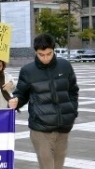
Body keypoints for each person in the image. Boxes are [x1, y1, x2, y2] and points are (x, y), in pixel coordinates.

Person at [9, 33, 79, 169]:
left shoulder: (65, 66)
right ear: (36, 52)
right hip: (40, 129)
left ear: (54, 50)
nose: (45, 58)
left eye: (49, 53)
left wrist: (72, 111)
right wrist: (16, 100)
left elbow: (73, 91)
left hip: (63, 127)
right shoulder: (27, 71)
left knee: (58, 167)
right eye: (42, 54)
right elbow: (21, 94)